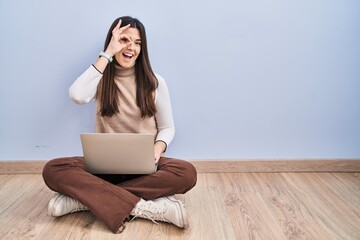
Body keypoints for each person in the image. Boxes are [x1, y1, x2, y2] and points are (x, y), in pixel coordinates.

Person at [42, 16, 197, 234]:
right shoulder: (100, 77)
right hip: (103, 170)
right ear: (113, 42)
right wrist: (107, 54)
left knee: (186, 173)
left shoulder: (155, 82)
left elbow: (167, 127)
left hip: (145, 169)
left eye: (138, 43)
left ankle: (83, 202)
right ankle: (147, 208)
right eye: (125, 40)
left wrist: (157, 148)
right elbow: (77, 95)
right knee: (53, 169)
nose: (131, 48)